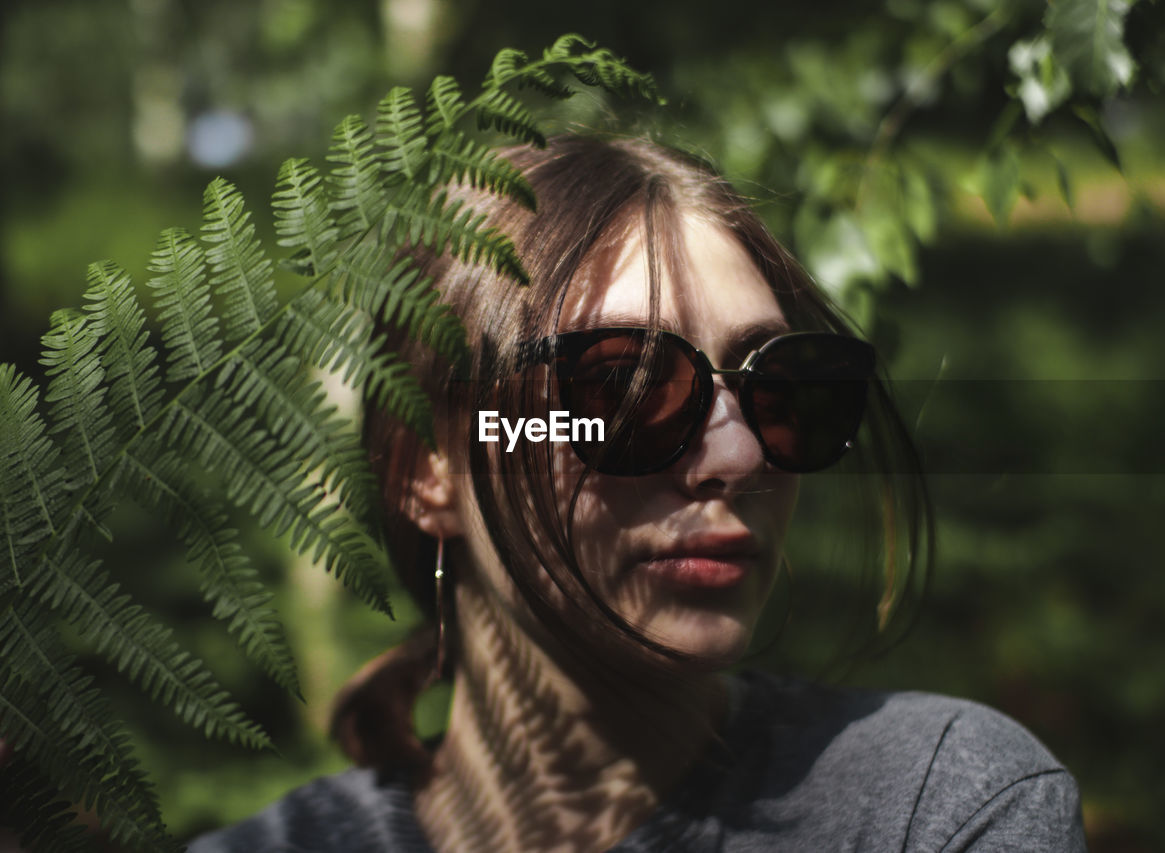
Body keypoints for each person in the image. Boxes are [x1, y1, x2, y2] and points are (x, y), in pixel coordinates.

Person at [190, 135, 1086, 852]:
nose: (736, 454)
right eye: (624, 389)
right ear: (427, 465)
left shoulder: (932, 809)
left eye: (778, 384)